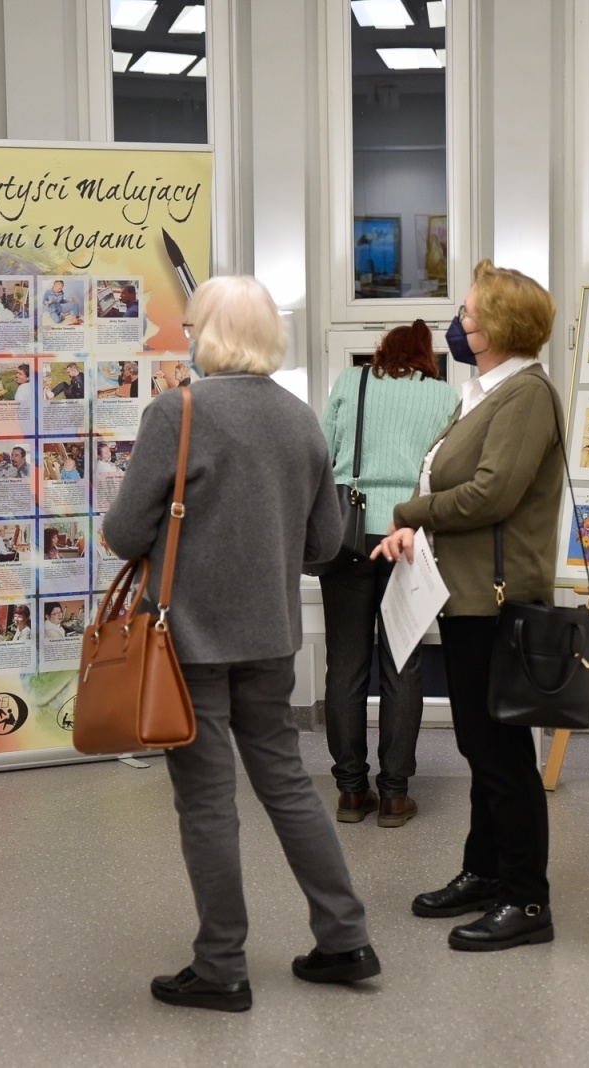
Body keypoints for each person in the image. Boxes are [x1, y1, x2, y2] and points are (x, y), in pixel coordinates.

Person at [103, 274, 378, 1014]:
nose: (187, 336)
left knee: (206, 801)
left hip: (186, 641)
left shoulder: (177, 412)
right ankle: (345, 936)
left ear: (208, 333)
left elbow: (123, 533)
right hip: (271, 636)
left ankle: (222, 963)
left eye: (192, 325)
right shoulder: (300, 420)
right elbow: (324, 544)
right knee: (287, 783)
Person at [372, 260, 562, 952]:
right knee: (482, 747)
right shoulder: (482, 393)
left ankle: (526, 900)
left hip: (497, 599)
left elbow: (490, 494)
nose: (460, 322)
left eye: (470, 313)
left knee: (501, 753)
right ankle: (484, 872)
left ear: (500, 325)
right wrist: (418, 525)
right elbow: (452, 477)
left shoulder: (526, 396)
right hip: (466, 595)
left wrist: (410, 510)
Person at [318, 322, 458, 827]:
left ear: (381, 351)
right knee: (404, 665)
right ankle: (395, 794)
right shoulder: (446, 397)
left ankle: (352, 791)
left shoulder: (350, 383)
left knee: (346, 666)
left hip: (349, 536)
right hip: (411, 539)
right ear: (427, 356)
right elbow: (449, 471)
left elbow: (322, 454)